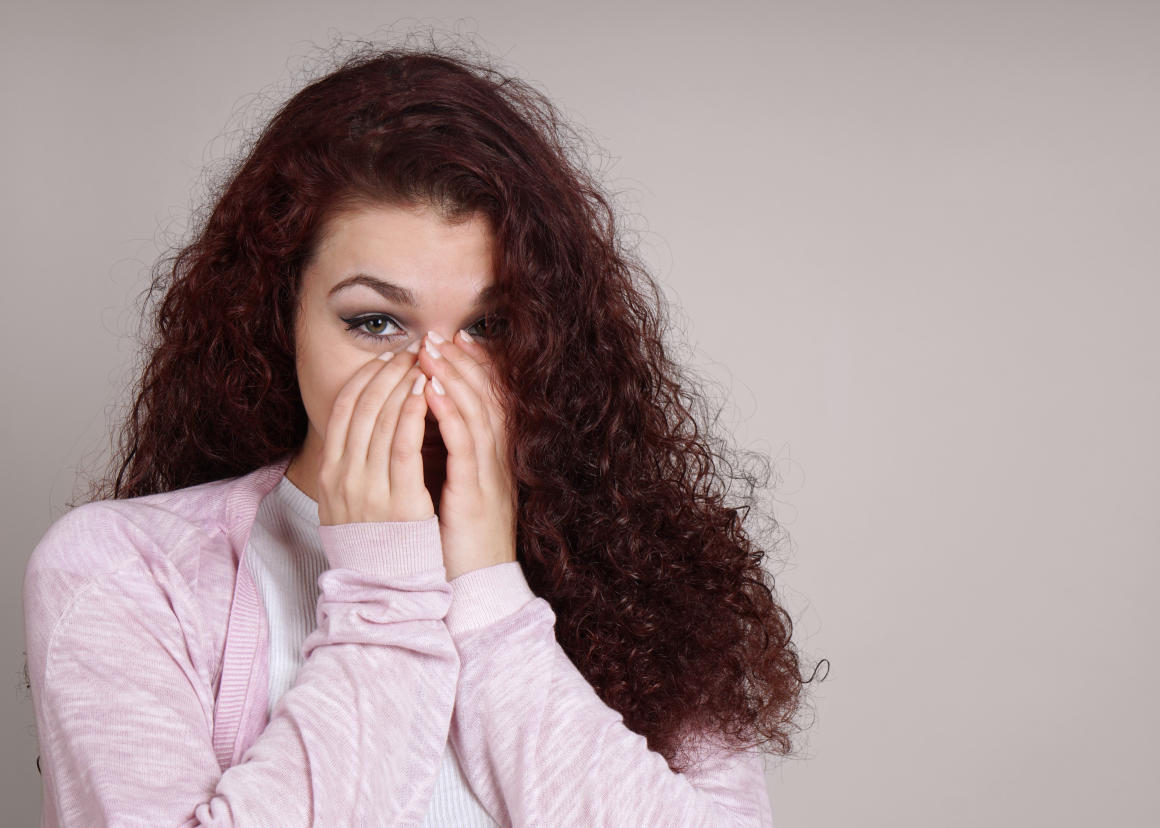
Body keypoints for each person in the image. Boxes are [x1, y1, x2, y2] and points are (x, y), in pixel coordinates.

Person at [22, 42, 813, 826]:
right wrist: (383, 592)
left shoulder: (645, 580)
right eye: (375, 322)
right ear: (281, 316)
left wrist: (491, 595)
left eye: (490, 326)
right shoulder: (128, 571)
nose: (434, 377)